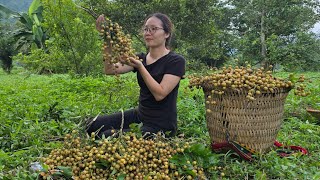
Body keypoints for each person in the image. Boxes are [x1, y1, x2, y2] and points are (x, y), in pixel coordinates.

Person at [86, 12, 186, 138]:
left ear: (166, 33)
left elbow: (160, 94)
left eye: (154, 29)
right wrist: (107, 38)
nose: (148, 32)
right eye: (146, 29)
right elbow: (110, 69)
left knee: (106, 136)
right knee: (92, 124)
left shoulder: (176, 61)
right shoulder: (140, 58)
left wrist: (140, 67)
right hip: (140, 116)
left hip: (161, 126)